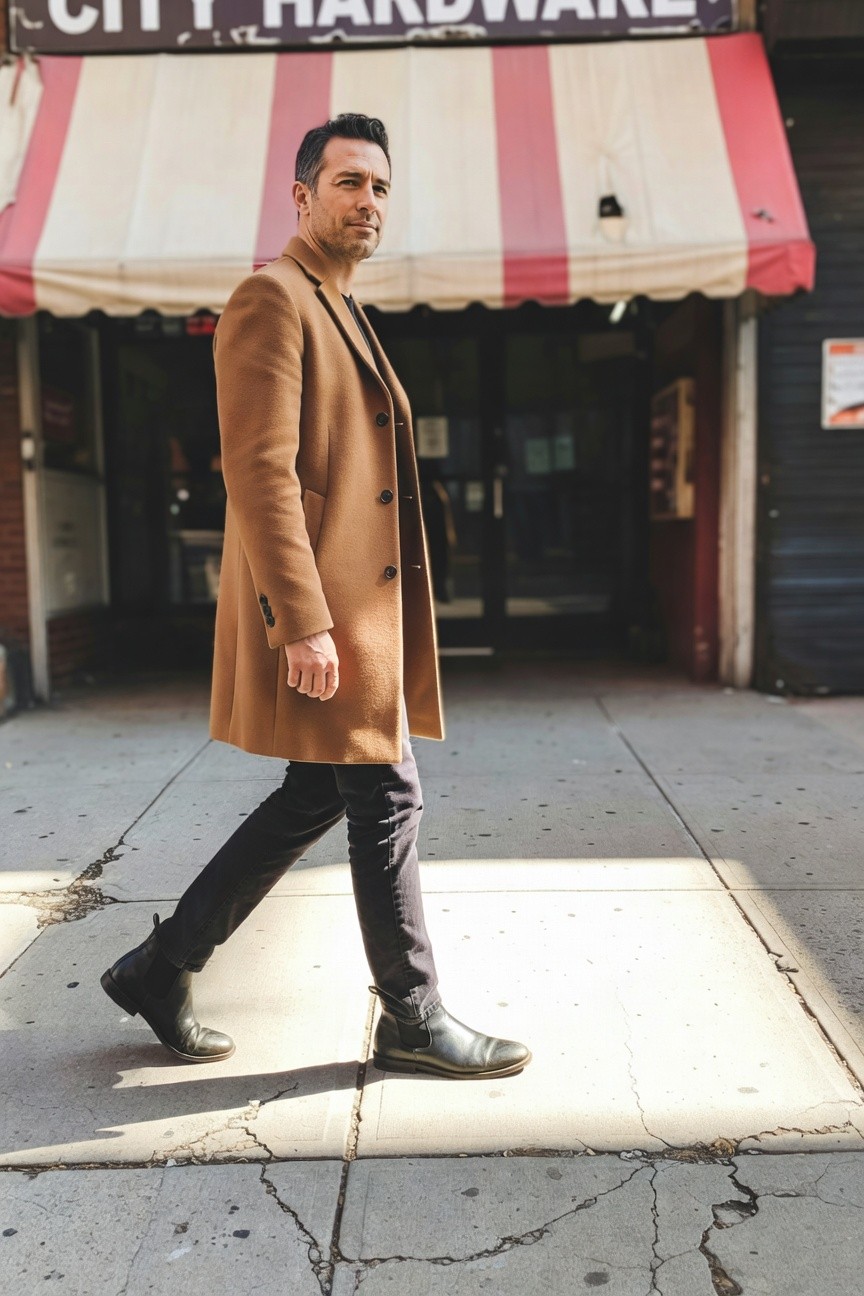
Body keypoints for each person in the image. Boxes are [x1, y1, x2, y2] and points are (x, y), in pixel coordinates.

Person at [101, 114, 530, 1081]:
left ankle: (160, 967)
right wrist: (301, 619)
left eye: (380, 186)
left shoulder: (340, 305)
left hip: (358, 614)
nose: (367, 201)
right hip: (329, 614)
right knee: (387, 789)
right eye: (347, 183)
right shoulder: (271, 298)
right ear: (302, 197)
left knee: (313, 795)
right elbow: (258, 473)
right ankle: (411, 1014)